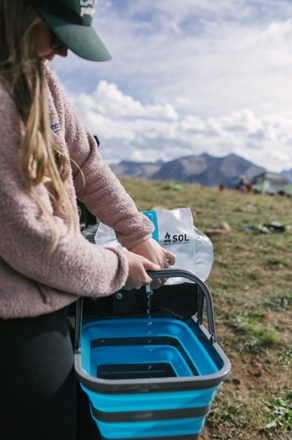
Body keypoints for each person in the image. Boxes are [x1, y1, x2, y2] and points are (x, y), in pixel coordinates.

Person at [0, 1, 176, 439]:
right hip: (11, 313)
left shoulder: (41, 79)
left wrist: (137, 233)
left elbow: (87, 165)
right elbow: (33, 240)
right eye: (56, 32)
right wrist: (120, 267)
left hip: (51, 289)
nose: (61, 51)